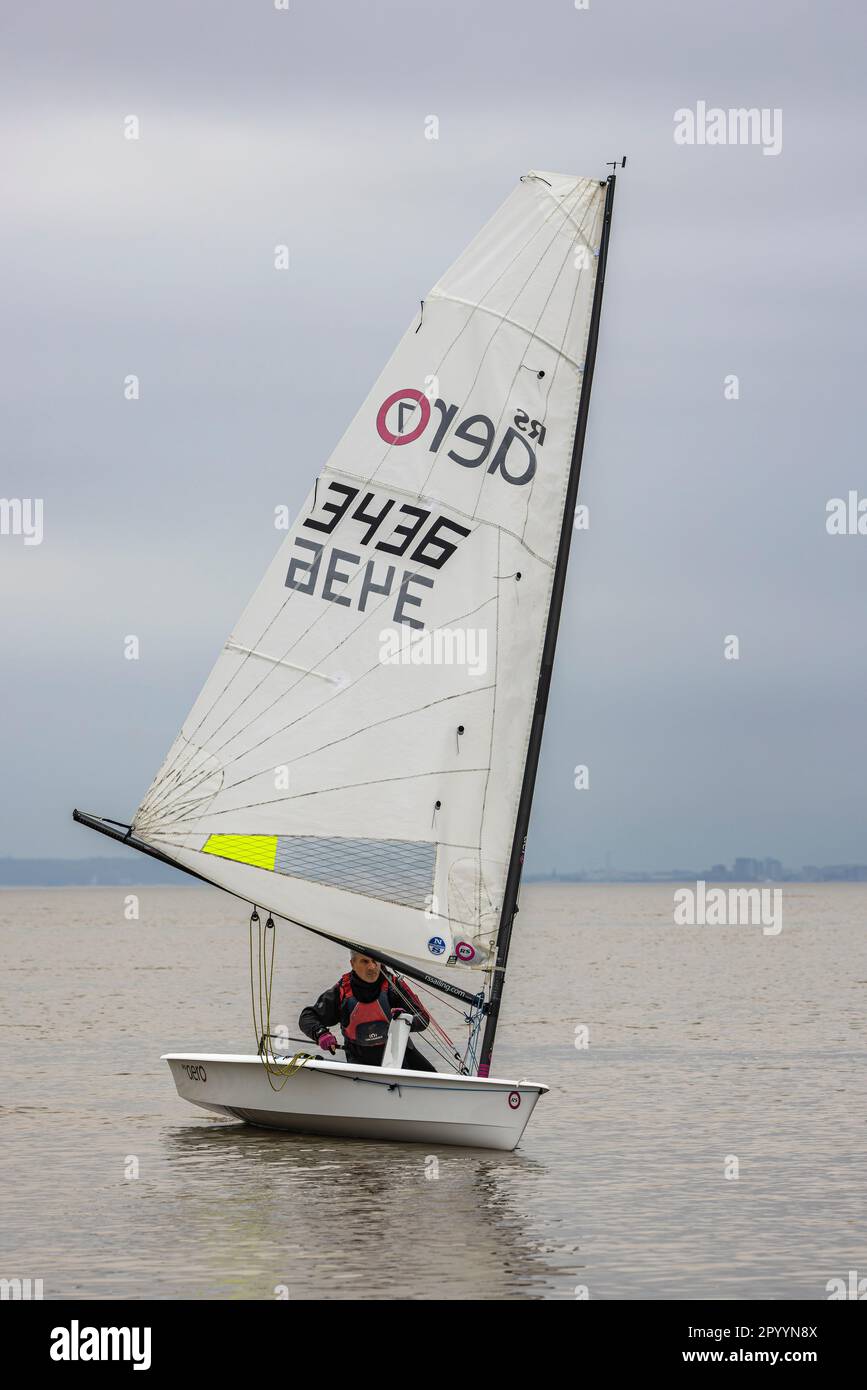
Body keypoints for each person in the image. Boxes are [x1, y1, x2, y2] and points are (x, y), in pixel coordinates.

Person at [299, 952, 437, 1071]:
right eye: (364, 961)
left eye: (375, 961)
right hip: (360, 1060)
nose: (372, 967)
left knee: (434, 1079)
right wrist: (321, 1034)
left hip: (401, 1056)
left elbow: (423, 1017)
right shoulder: (342, 991)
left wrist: (406, 1020)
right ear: (352, 963)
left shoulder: (393, 986)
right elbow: (307, 1017)